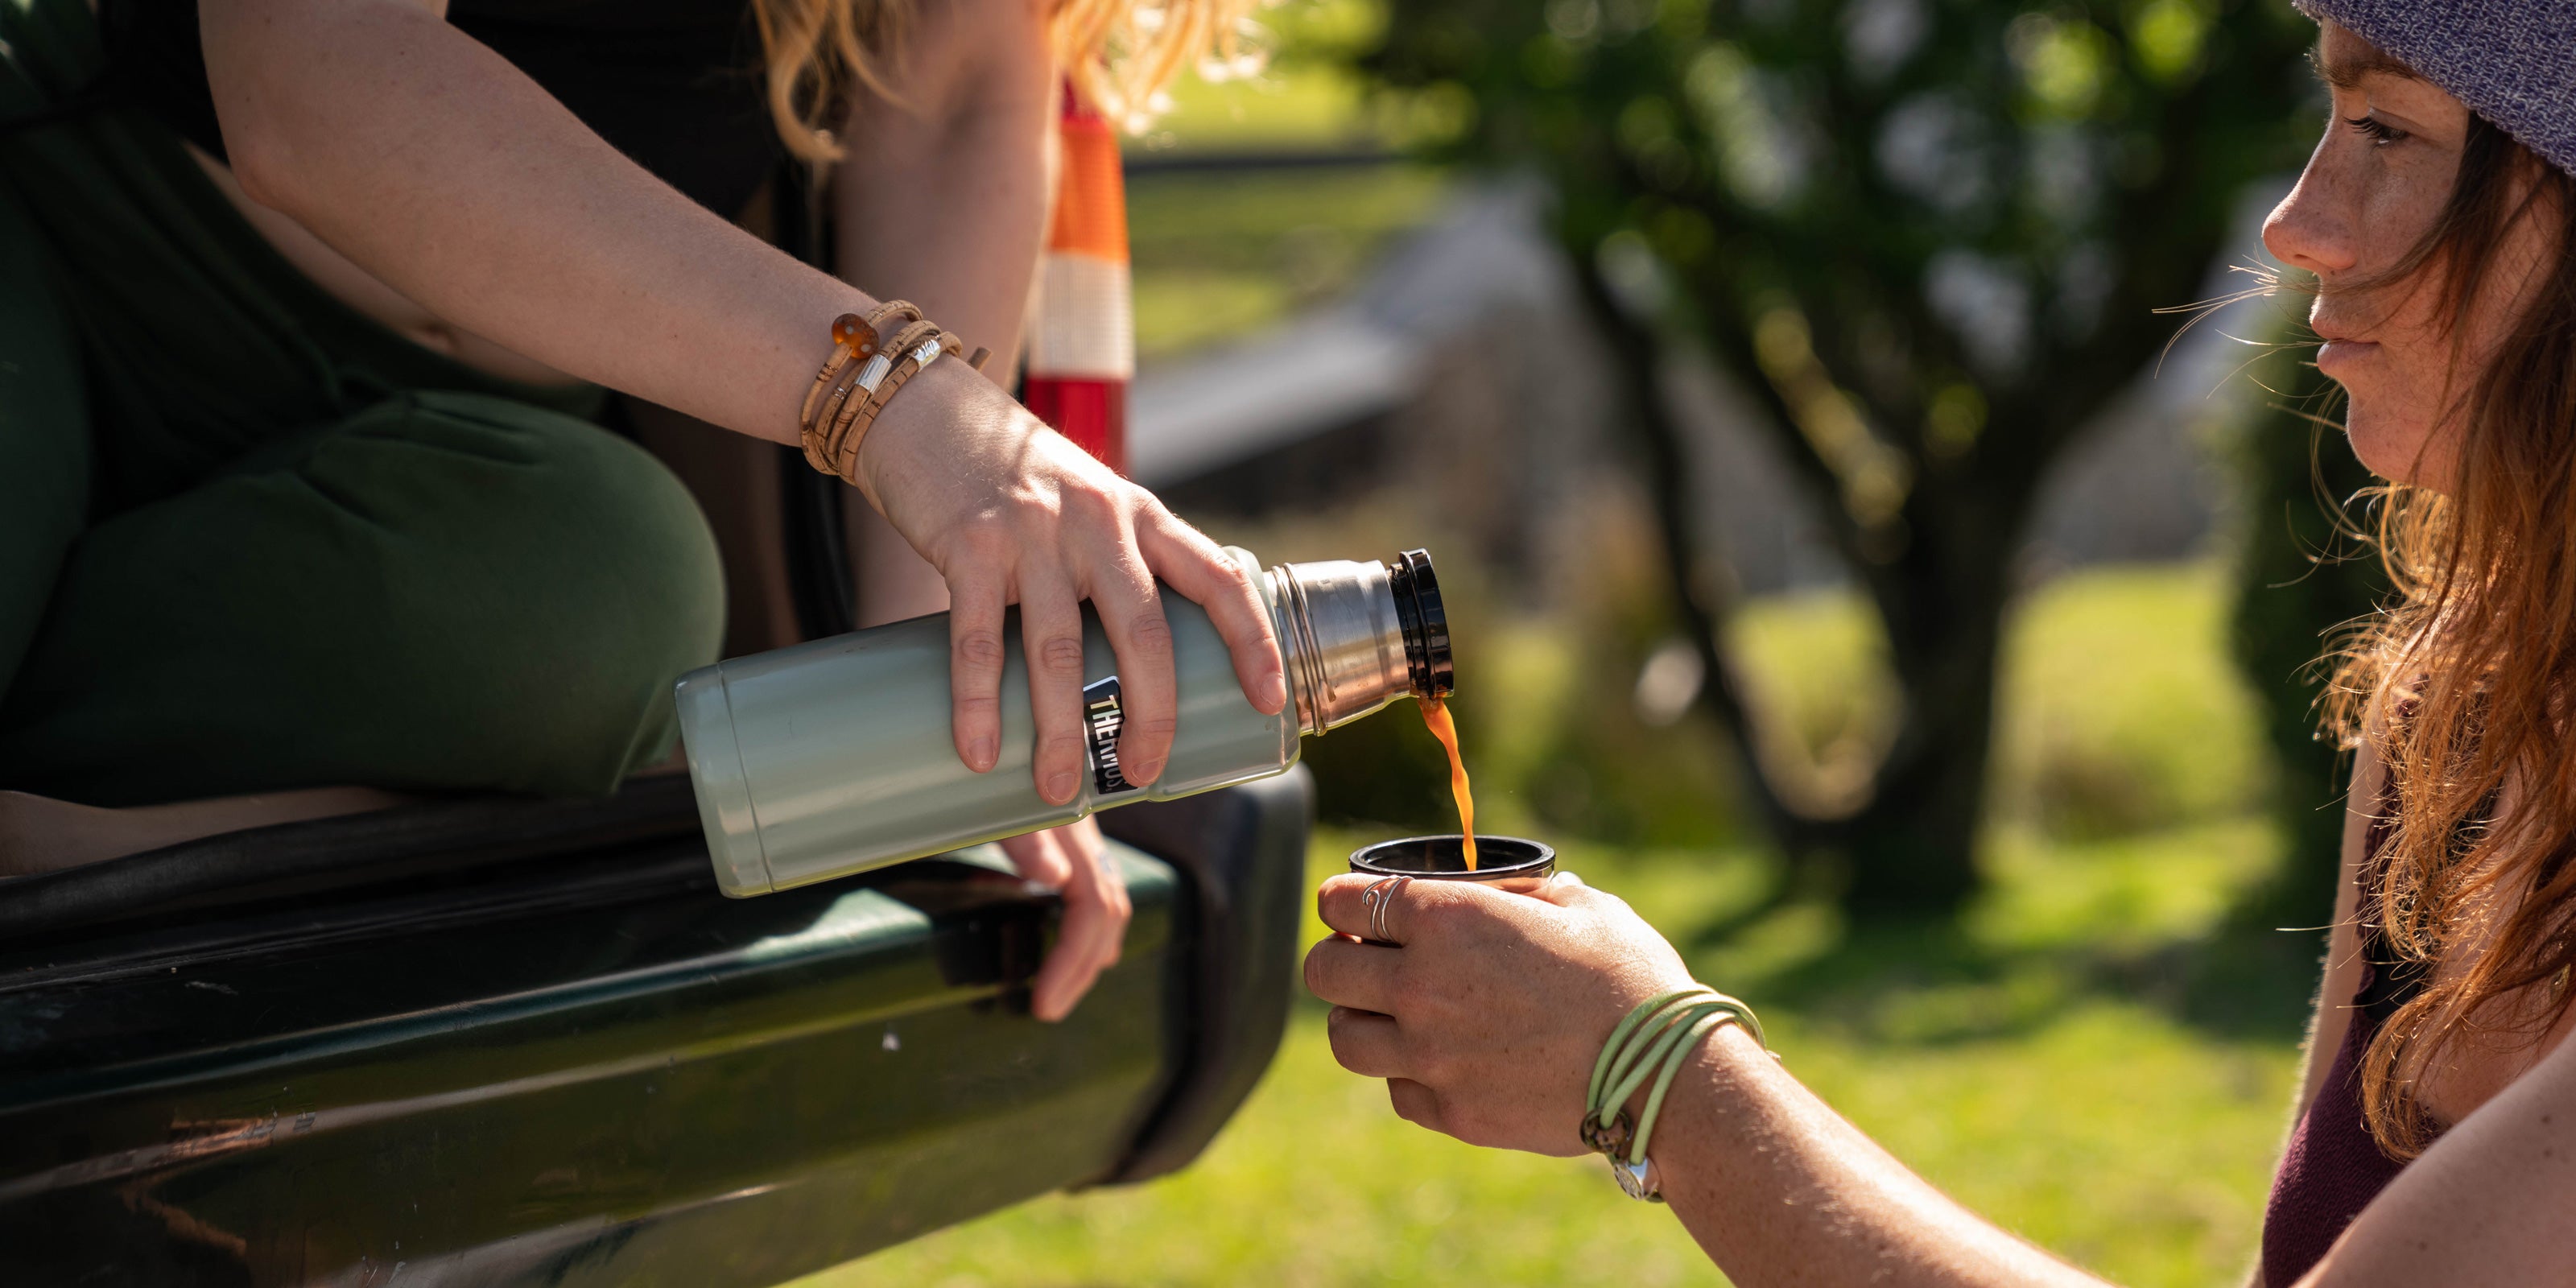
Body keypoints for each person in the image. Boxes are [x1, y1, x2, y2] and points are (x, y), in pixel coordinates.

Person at [1303, 5, 2576, 1284]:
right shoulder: (2458, 704)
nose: (2294, 223)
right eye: (2327, 115)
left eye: (2386, 126)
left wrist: (1652, 1069)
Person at [0, 0, 1285, 1022]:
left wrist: (944, 747)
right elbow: (312, 68)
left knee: (614, 593)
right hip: (67, 226)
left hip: (458, 423)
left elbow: (948, 90)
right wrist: (896, 401)